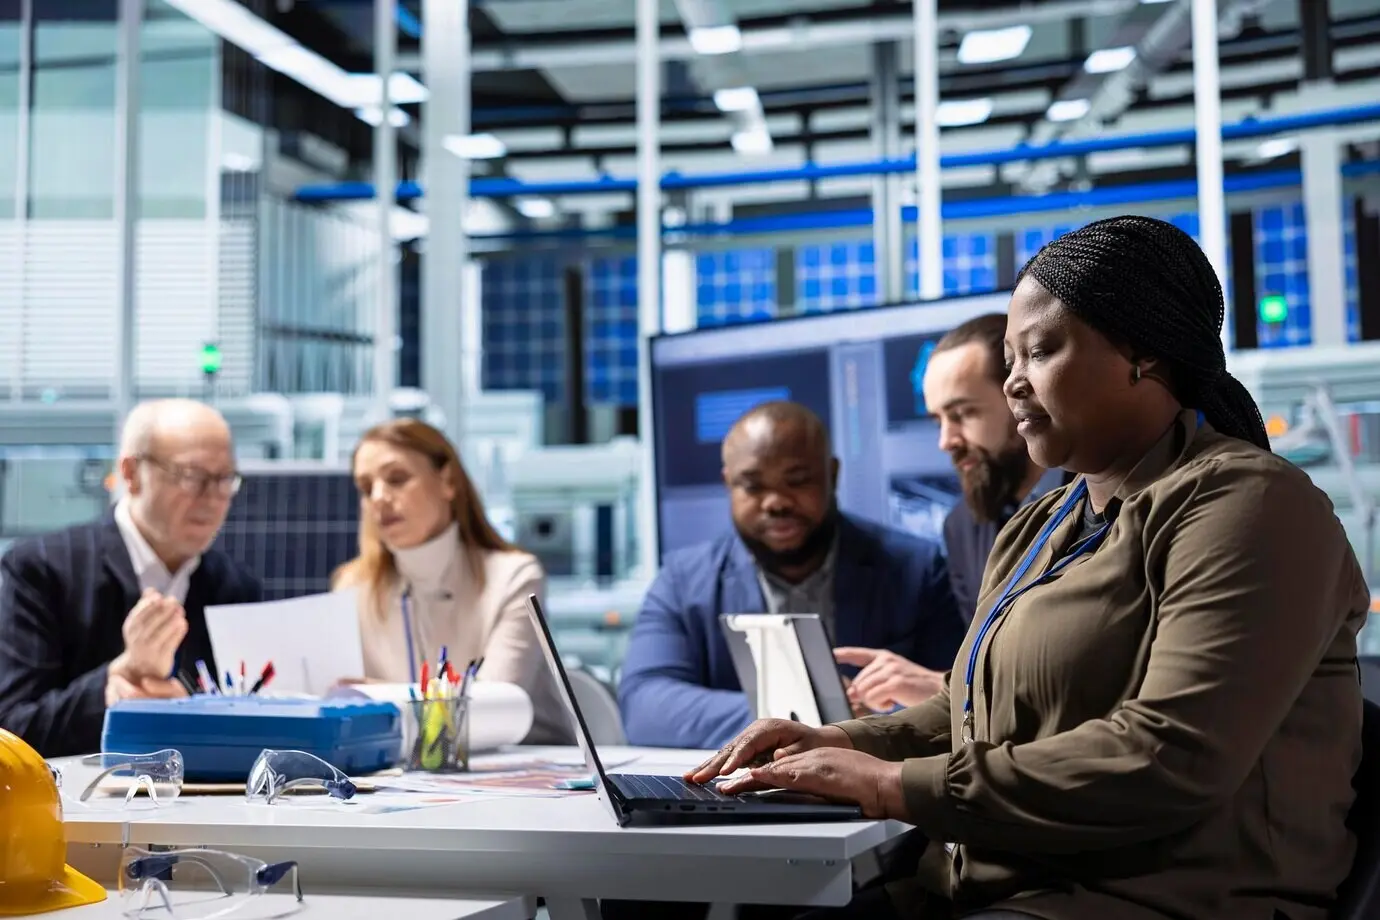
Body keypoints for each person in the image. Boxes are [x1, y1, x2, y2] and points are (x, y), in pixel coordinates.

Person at [688, 216, 1370, 920]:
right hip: (996, 883)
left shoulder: (1251, 506)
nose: (1014, 383)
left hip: (1150, 901)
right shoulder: (1043, 525)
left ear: (1145, 354)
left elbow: (1167, 758)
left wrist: (892, 784)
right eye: (1009, 360)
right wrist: (835, 743)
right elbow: (967, 709)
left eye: (1039, 352)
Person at [618, 400, 964, 750]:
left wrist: (875, 722)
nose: (776, 502)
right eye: (752, 486)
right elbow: (644, 708)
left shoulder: (918, 568)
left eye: (797, 481)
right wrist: (805, 713)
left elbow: (965, 699)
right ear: (729, 484)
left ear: (832, 474)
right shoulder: (682, 581)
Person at [0, 399, 261, 757]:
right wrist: (115, 683)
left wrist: (192, 712)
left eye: (225, 479)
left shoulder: (234, 588)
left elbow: (251, 725)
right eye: (192, 477)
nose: (213, 498)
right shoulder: (42, 569)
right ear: (131, 473)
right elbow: (12, 731)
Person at [833, 314, 1064, 713]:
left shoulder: (1098, 496)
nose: (945, 441)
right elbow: (986, 665)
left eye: (963, 414)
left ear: (1022, 397)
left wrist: (937, 686)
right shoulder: (963, 527)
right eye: (939, 419)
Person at [332, 418, 572, 745]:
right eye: (365, 487)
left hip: (527, 771)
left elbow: (493, 711)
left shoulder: (514, 577)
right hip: (407, 780)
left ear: (447, 481)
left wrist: (385, 700)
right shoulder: (352, 587)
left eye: (397, 479)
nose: (378, 498)